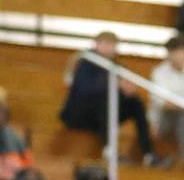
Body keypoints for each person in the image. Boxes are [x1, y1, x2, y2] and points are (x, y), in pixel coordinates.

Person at [61, 31, 162, 167]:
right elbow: (84, 90)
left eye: (113, 44)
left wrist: (128, 89)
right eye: (107, 44)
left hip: (104, 116)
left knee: (135, 103)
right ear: (97, 44)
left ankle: (148, 155)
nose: (110, 48)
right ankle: (109, 151)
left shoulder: (117, 66)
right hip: (81, 115)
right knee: (107, 100)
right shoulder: (85, 62)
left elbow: (125, 86)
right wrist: (115, 85)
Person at [150, 35, 184, 161]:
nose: (178, 56)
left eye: (181, 51)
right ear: (168, 54)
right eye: (174, 52)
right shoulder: (159, 72)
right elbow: (163, 103)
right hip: (163, 119)